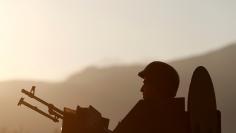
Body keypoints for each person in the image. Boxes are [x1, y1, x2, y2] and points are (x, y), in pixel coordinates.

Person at [113, 61, 189, 133]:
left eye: (145, 83)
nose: (141, 89)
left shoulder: (145, 113)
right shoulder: (180, 120)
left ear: (158, 86)